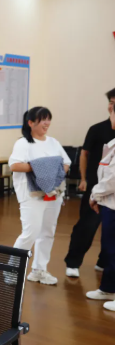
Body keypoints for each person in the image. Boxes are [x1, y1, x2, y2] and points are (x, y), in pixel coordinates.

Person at [9, 107, 71, 285]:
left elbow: (66, 163)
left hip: (53, 193)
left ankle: (39, 270)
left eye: (48, 119)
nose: (47, 123)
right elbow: (15, 165)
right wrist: (43, 168)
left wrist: (52, 176)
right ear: (30, 123)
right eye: (43, 119)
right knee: (30, 233)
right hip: (31, 195)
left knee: (47, 232)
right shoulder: (23, 143)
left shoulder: (53, 142)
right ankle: (11, 270)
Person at [65, 89, 115, 278]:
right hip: (96, 187)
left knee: (111, 229)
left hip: (113, 190)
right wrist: (84, 179)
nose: (112, 106)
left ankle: (104, 262)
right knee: (87, 225)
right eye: (111, 102)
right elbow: (84, 154)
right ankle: (73, 262)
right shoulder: (97, 129)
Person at [86, 108, 115, 311]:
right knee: (109, 248)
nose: (110, 116)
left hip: (112, 204)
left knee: (113, 249)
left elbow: (112, 180)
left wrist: (95, 195)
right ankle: (108, 288)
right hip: (109, 203)